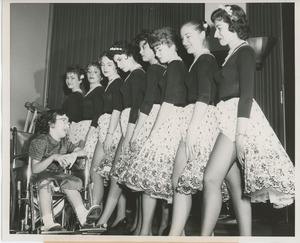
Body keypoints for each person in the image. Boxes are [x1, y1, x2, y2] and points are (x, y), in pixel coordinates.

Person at [200, 5, 295, 236]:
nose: (216, 34)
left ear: (233, 27)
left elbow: (247, 96)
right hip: (226, 118)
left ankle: (202, 239)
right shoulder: (232, 53)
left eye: (220, 28)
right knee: (236, 188)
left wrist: (240, 136)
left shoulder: (246, 51)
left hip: (237, 121)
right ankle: (246, 239)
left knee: (211, 179)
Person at [120, 27, 188, 236]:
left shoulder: (175, 66)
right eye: (155, 49)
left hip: (169, 125)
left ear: (171, 45)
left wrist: (152, 134)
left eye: (159, 49)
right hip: (168, 123)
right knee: (156, 182)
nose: (156, 53)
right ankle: (149, 232)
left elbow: (167, 102)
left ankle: (147, 233)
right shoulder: (172, 66)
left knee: (154, 181)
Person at [168, 19, 223, 236]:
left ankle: (184, 235)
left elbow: (204, 96)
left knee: (185, 180)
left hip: (200, 122)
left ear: (202, 34)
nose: (184, 41)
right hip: (192, 120)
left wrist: (191, 130)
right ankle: (178, 234)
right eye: (182, 38)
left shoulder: (206, 60)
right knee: (179, 180)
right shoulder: (197, 60)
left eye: (188, 36)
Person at [117, 29, 167, 235]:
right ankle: (145, 226)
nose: (141, 51)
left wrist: (136, 132)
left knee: (149, 180)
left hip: (152, 123)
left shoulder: (155, 70)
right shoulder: (156, 69)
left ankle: (146, 230)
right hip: (156, 122)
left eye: (144, 46)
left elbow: (146, 104)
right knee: (150, 180)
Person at [95, 41, 146, 233]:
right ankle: (111, 219)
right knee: (117, 175)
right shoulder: (132, 75)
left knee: (117, 175)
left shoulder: (138, 74)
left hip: (131, 130)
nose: (119, 64)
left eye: (121, 60)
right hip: (127, 128)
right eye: (116, 60)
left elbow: (136, 107)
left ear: (131, 55)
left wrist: (129, 135)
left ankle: (103, 221)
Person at [28, 110, 101, 232]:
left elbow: (84, 151)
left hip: (58, 176)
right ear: (51, 124)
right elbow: (35, 169)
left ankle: (82, 215)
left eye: (68, 122)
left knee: (70, 183)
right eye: (64, 121)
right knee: (46, 183)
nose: (68, 125)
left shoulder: (64, 142)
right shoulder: (40, 141)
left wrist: (74, 155)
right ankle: (48, 222)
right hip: (40, 176)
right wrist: (53, 157)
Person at [89, 51, 123, 208]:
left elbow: (117, 109)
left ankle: (95, 213)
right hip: (105, 128)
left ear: (116, 65)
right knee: (99, 173)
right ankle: (96, 212)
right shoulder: (109, 83)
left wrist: (109, 135)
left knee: (100, 173)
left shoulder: (117, 83)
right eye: (102, 64)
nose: (105, 67)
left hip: (112, 130)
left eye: (109, 64)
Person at [67, 61, 104, 170]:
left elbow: (97, 115)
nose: (91, 74)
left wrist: (86, 138)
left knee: (89, 169)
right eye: (89, 71)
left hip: (91, 132)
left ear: (101, 76)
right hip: (85, 130)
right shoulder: (90, 91)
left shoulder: (99, 91)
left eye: (95, 72)